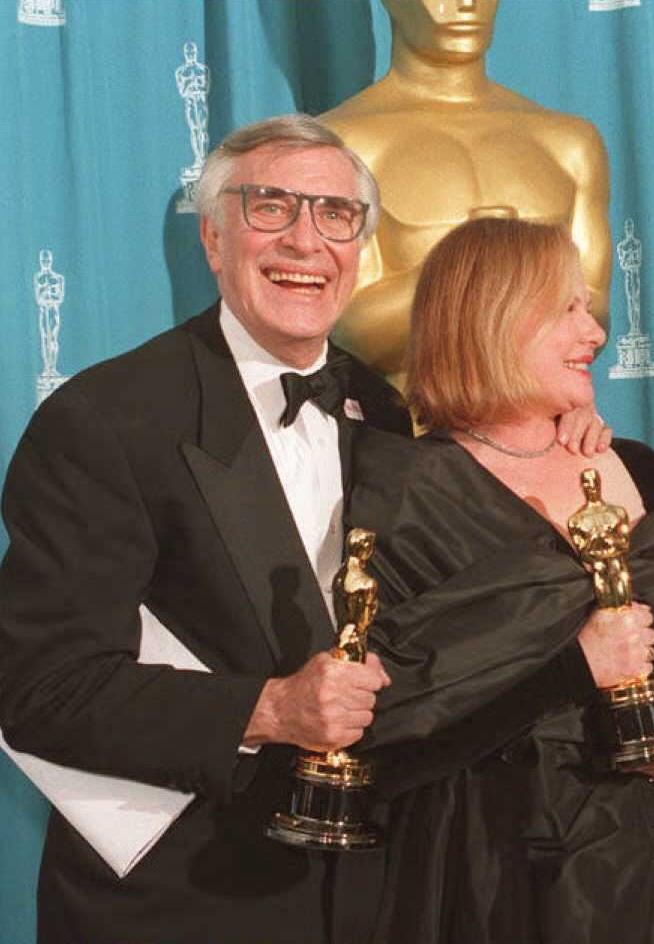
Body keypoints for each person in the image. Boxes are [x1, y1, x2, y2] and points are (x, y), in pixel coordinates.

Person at [0, 114, 410, 944]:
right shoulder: (107, 418)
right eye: (270, 208)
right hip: (178, 904)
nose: (305, 240)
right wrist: (267, 709)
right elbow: (41, 692)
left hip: (371, 898)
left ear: (360, 248)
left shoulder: (386, 412)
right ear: (214, 238)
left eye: (335, 215)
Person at [347, 217, 654, 944]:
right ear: (493, 320)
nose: (595, 333)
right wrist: (573, 667)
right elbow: (397, 716)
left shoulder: (650, 474)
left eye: (590, 308)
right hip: (501, 864)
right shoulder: (400, 496)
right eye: (567, 310)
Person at [321, 0, 610, 386]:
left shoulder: (570, 143)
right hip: (404, 433)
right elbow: (350, 331)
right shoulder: (341, 144)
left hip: (547, 432)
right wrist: (484, 268)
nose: (467, 4)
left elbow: (594, 314)